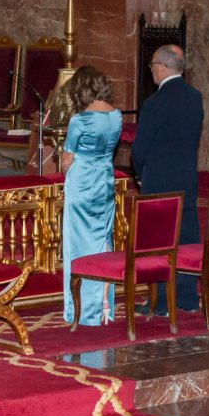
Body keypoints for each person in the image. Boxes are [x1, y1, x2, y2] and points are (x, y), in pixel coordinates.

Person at [131, 44, 204, 313]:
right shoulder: (195, 98)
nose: (151, 70)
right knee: (186, 236)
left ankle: (160, 301)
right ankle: (186, 297)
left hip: (158, 181)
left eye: (151, 66)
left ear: (162, 67)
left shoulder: (154, 103)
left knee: (158, 241)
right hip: (186, 177)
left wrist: (140, 174)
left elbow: (139, 148)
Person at [60, 66, 122, 326]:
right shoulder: (116, 115)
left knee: (78, 243)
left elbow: (66, 159)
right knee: (102, 238)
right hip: (105, 179)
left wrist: (66, 172)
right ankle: (105, 303)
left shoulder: (80, 119)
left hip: (82, 182)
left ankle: (83, 309)